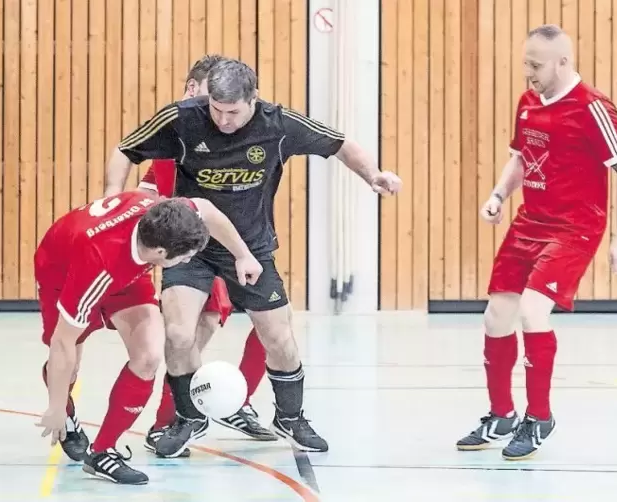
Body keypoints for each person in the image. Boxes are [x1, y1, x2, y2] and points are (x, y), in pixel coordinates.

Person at [105, 58, 402, 458]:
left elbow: (340, 145)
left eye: (233, 112)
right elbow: (126, 149)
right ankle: (189, 417)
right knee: (177, 334)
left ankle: (290, 416)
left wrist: (373, 175)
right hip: (190, 247)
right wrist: (111, 200)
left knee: (278, 337)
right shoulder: (183, 118)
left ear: (254, 100)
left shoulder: (278, 125)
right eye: (216, 110)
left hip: (252, 249)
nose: (223, 121)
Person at [456, 24, 617, 461]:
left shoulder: (594, 107)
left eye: (535, 65)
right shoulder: (528, 102)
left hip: (575, 227)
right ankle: (501, 414)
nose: (528, 72)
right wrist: (499, 194)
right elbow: (521, 157)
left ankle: (539, 417)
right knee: (495, 316)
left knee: (531, 309)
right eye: (525, 62)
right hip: (528, 222)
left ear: (563, 62)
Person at [34, 191, 262, 484]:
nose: (190, 260)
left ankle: (102, 452)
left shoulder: (164, 213)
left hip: (125, 267)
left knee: (149, 356)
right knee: (71, 360)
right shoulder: (99, 263)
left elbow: (206, 209)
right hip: (63, 271)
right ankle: (65, 414)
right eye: (187, 256)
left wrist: (243, 255)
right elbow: (62, 342)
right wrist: (55, 406)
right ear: (160, 254)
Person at [137, 56, 277, 456]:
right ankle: (174, 420)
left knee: (258, 326)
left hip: (228, 245)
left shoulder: (225, 135)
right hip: (186, 250)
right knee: (187, 335)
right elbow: (149, 185)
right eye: (199, 95)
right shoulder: (176, 133)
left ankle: (229, 402)